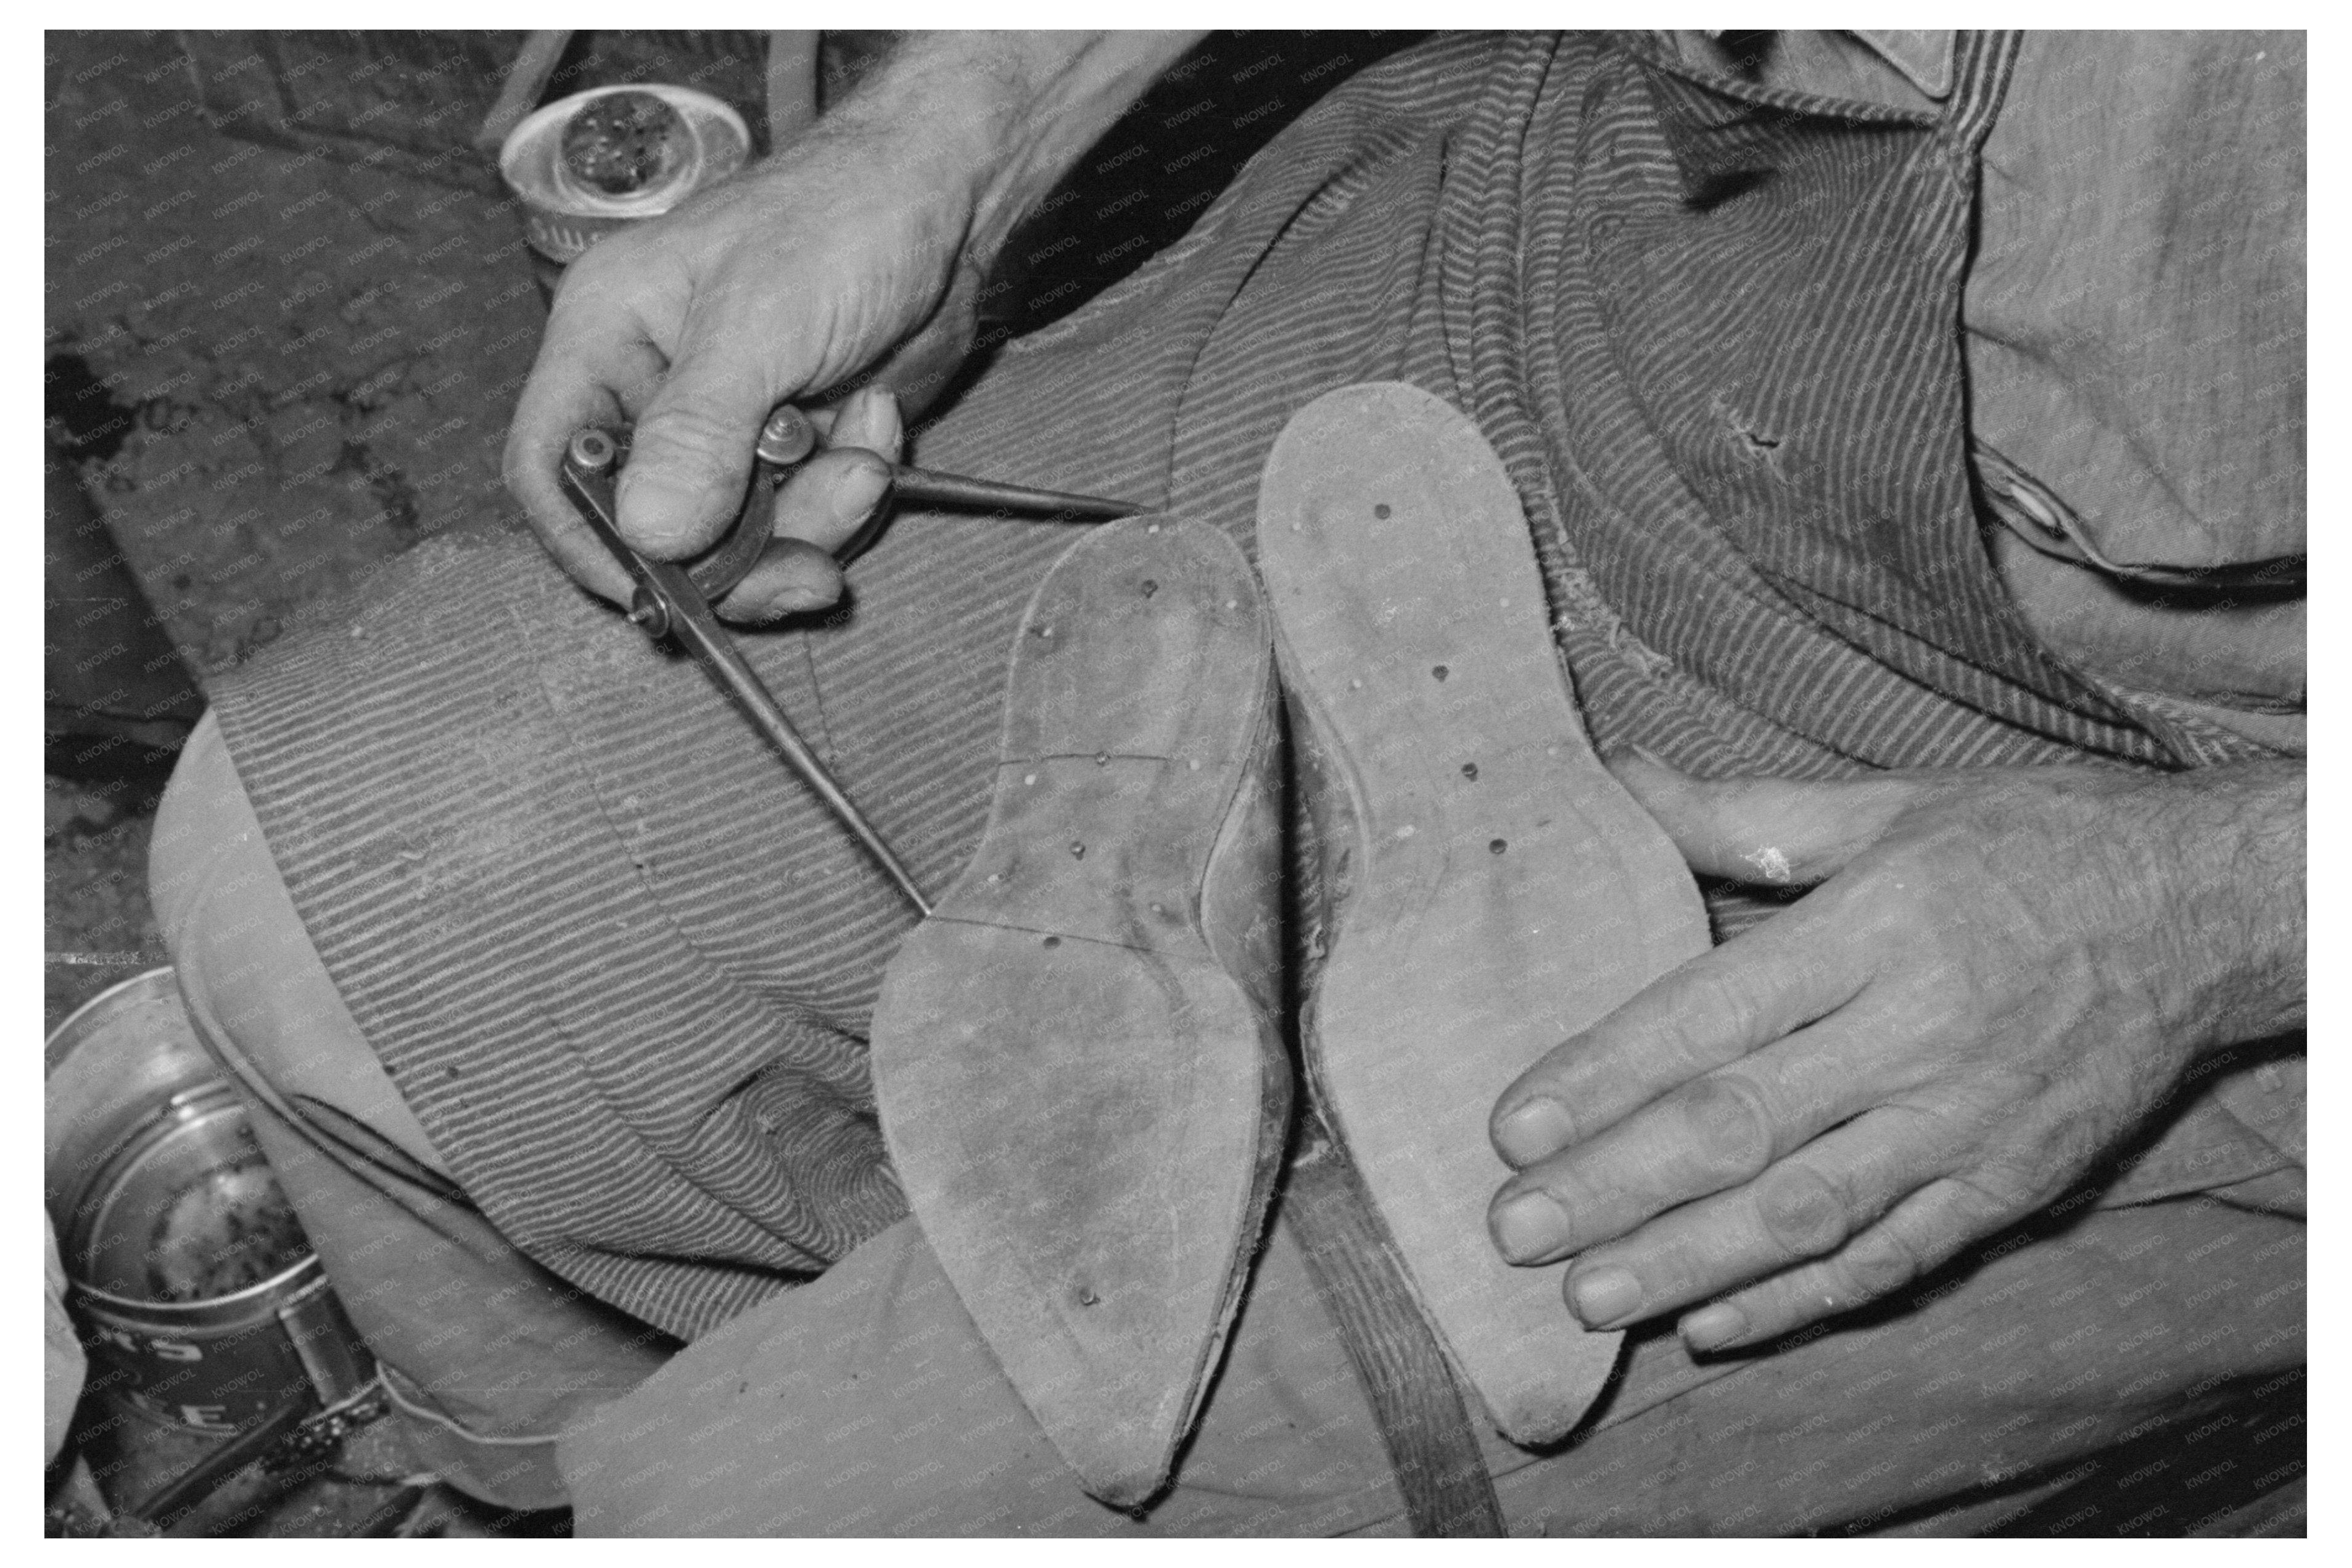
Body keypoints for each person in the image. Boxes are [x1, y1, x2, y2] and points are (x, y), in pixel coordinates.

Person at [151, 30, 2304, 1533]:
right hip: (1627, 223)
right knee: (291, 876)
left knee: (776, 1507)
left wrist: (2210, 910)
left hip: (2146, 781)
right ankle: (536, 1474)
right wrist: (957, 139)